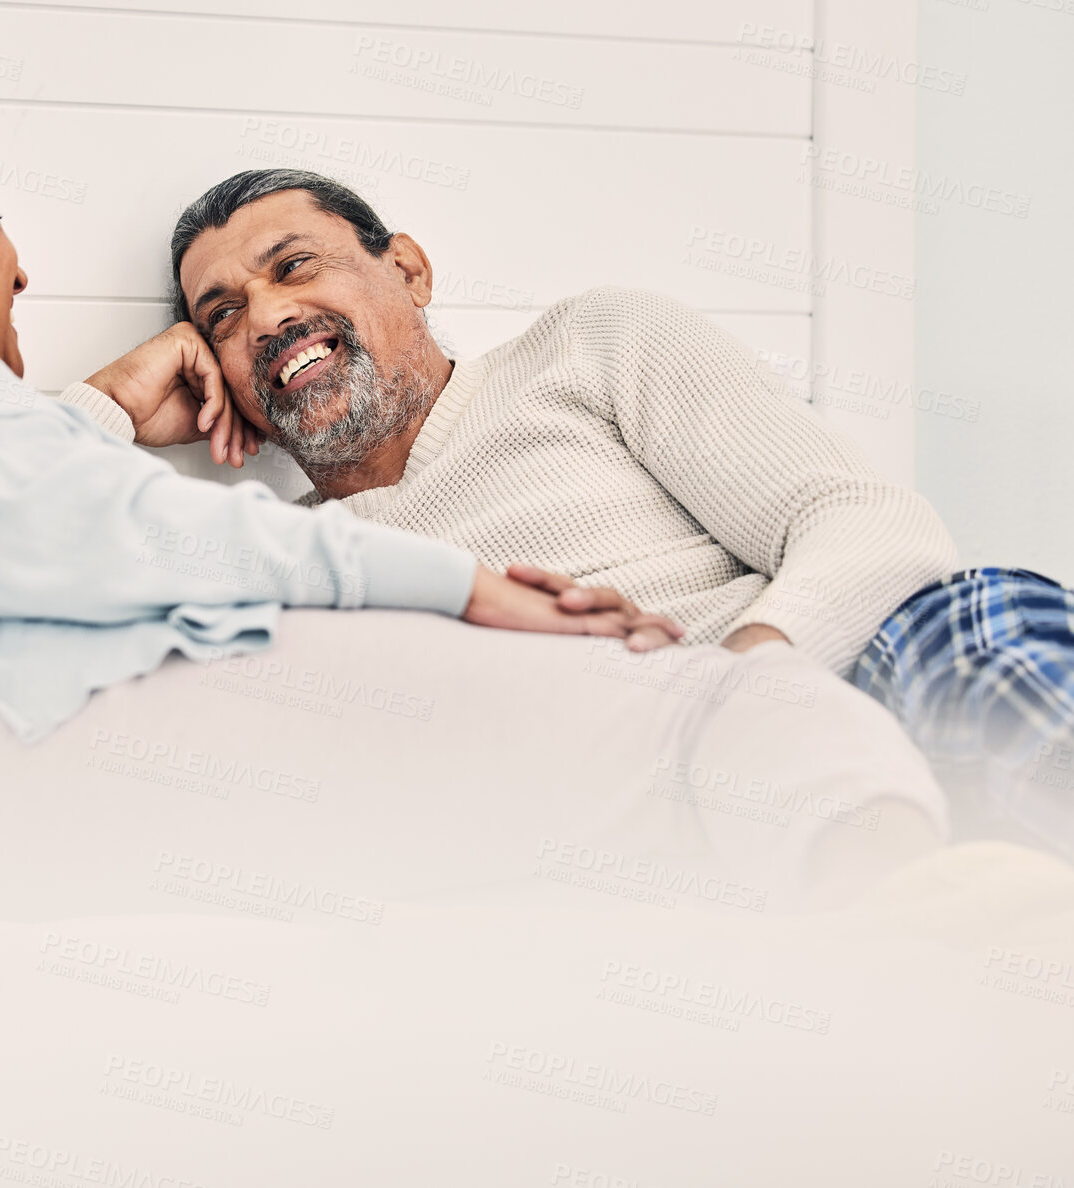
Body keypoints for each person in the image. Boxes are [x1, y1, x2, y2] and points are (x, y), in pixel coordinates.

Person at [0, 84, 680, 790]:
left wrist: (98, 405)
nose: (18, 274)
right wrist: (464, 586)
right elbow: (114, 532)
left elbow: (5, 523)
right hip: (29, 775)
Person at [161, 168, 1074, 856]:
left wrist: (750, 679)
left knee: (980, 622)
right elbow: (36, 545)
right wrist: (114, 410)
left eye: (294, 267)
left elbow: (870, 524)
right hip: (662, 820)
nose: (270, 315)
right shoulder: (292, 558)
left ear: (406, 269)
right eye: (224, 316)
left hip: (844, 680)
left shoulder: (591, 344)